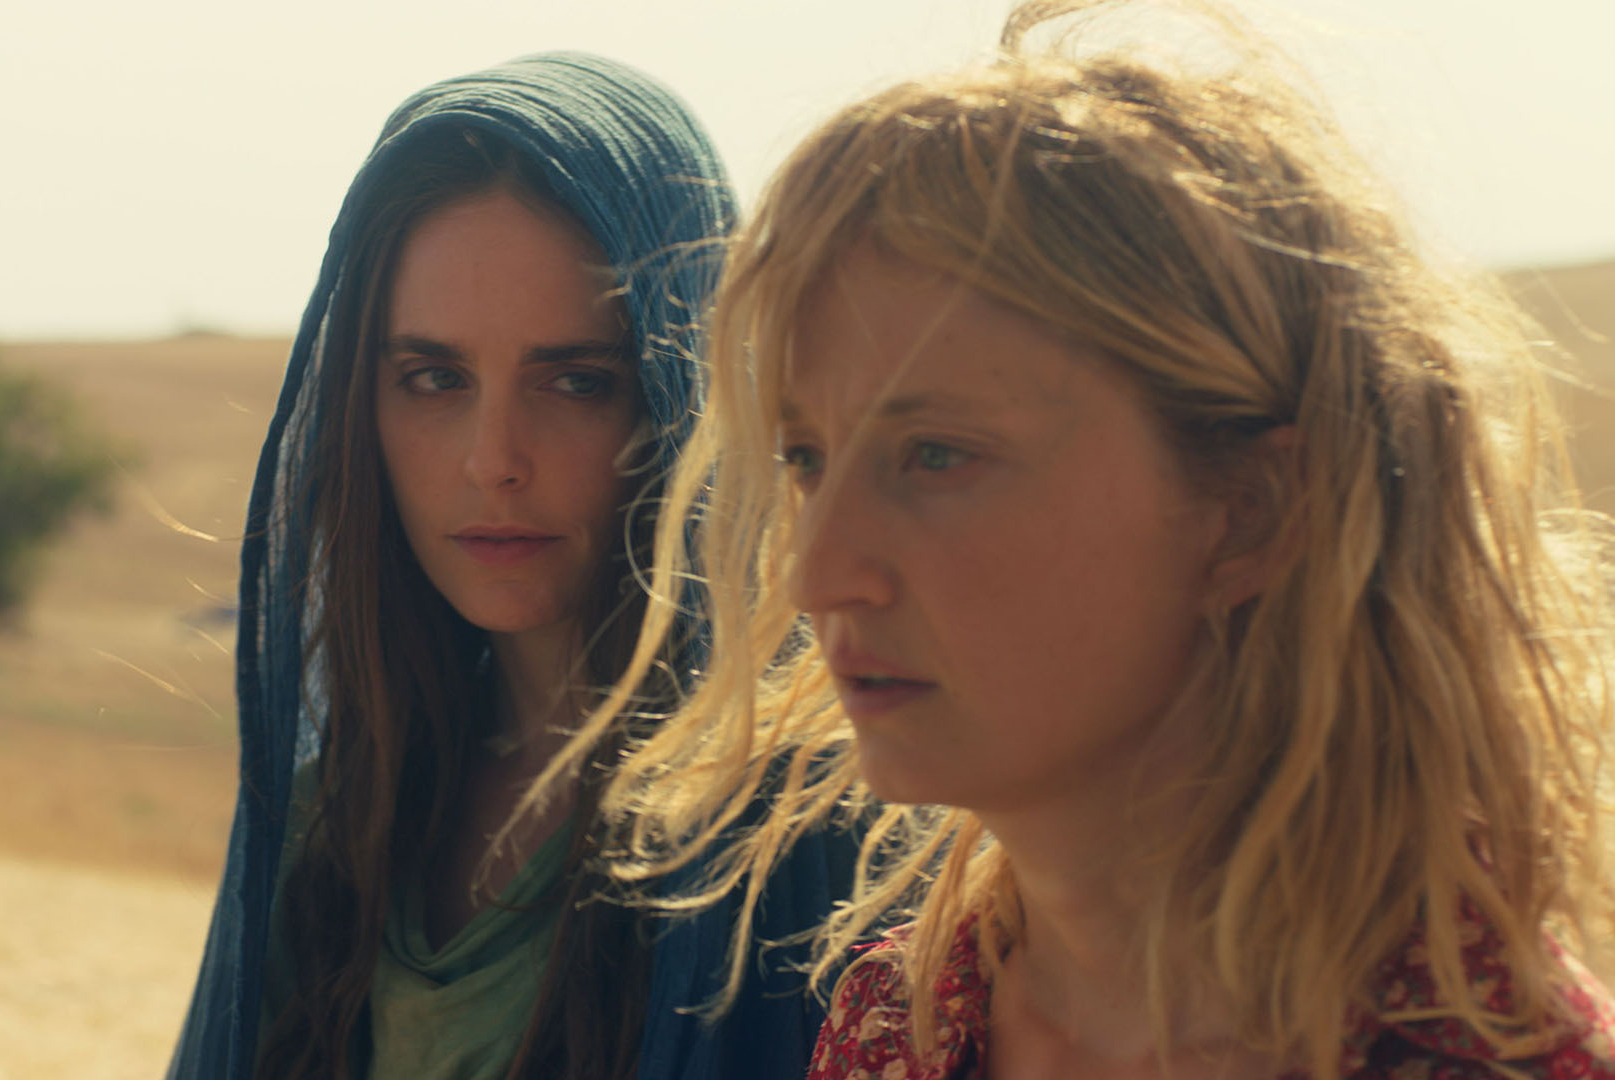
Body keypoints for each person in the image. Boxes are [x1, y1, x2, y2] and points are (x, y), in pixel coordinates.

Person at [555, 3, 1615, 1078]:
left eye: (936, 456)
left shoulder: (1489, 1060)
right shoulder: (898, 1028)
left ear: (1251, 508)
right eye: (806, 459)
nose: (818, 574)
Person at [166, 54, 848, 1080]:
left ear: (684, 399)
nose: (493, 461)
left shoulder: (810, 833)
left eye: (575, 381)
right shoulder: (338, 820)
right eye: (433, 378)